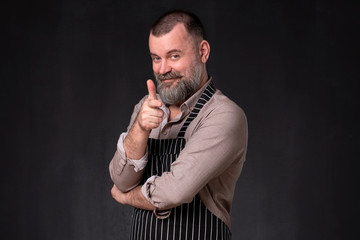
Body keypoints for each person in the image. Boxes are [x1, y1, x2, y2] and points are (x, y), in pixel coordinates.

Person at [109, 10, 248, 240]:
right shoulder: (147, 107)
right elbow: (121, 179)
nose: (162, 69)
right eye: (156, 58)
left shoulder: (224, 115)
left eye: (174, 56)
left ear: (203, 52)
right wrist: (140, 129)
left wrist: (127, 197)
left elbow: (174, 191)